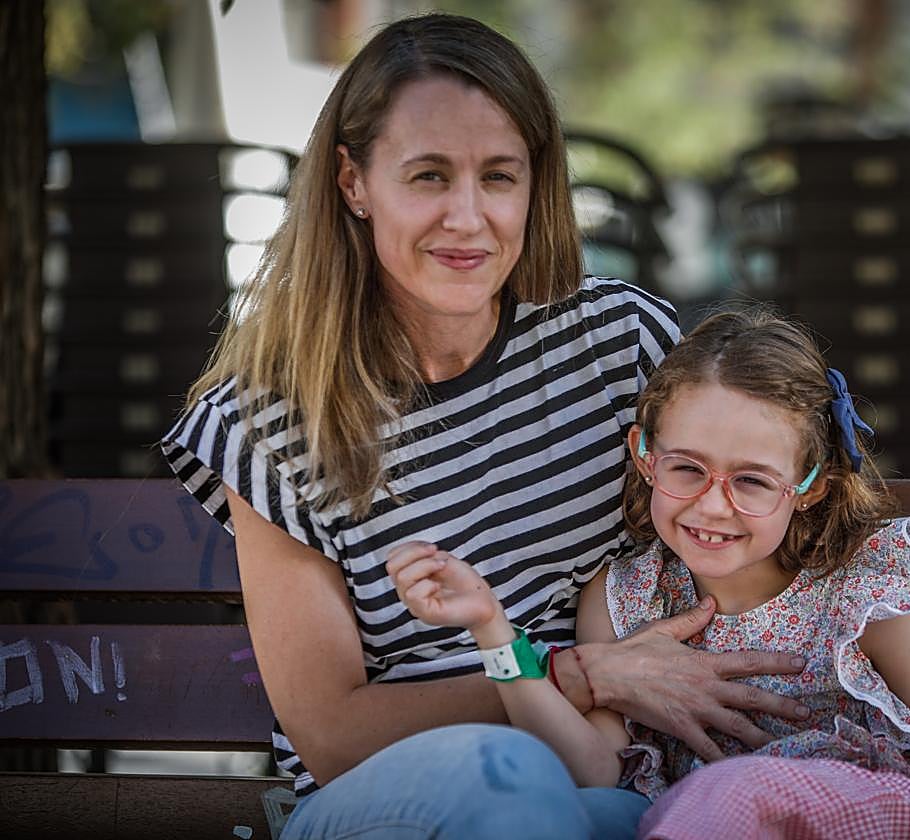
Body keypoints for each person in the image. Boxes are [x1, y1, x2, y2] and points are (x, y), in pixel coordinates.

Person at [161, 13, 811, 840]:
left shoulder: (621, 347)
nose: (469, 218)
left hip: (607, 773)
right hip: (382, 803)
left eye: (499, 177)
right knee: (510, 778)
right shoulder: (268, 422)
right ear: (353, 182)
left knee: (617, 816)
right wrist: (575, 675)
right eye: (429, 176)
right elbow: (329, 736)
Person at [392, 309, 910, 839]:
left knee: (730, 792)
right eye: (686, 469)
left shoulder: (862, 583)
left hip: (877, 819)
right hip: (701, 823)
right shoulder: (624, 599)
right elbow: (595, 770)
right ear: (644, 457)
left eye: (751, 480)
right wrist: (496, 637)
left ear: (809, 488)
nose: (713, 505)